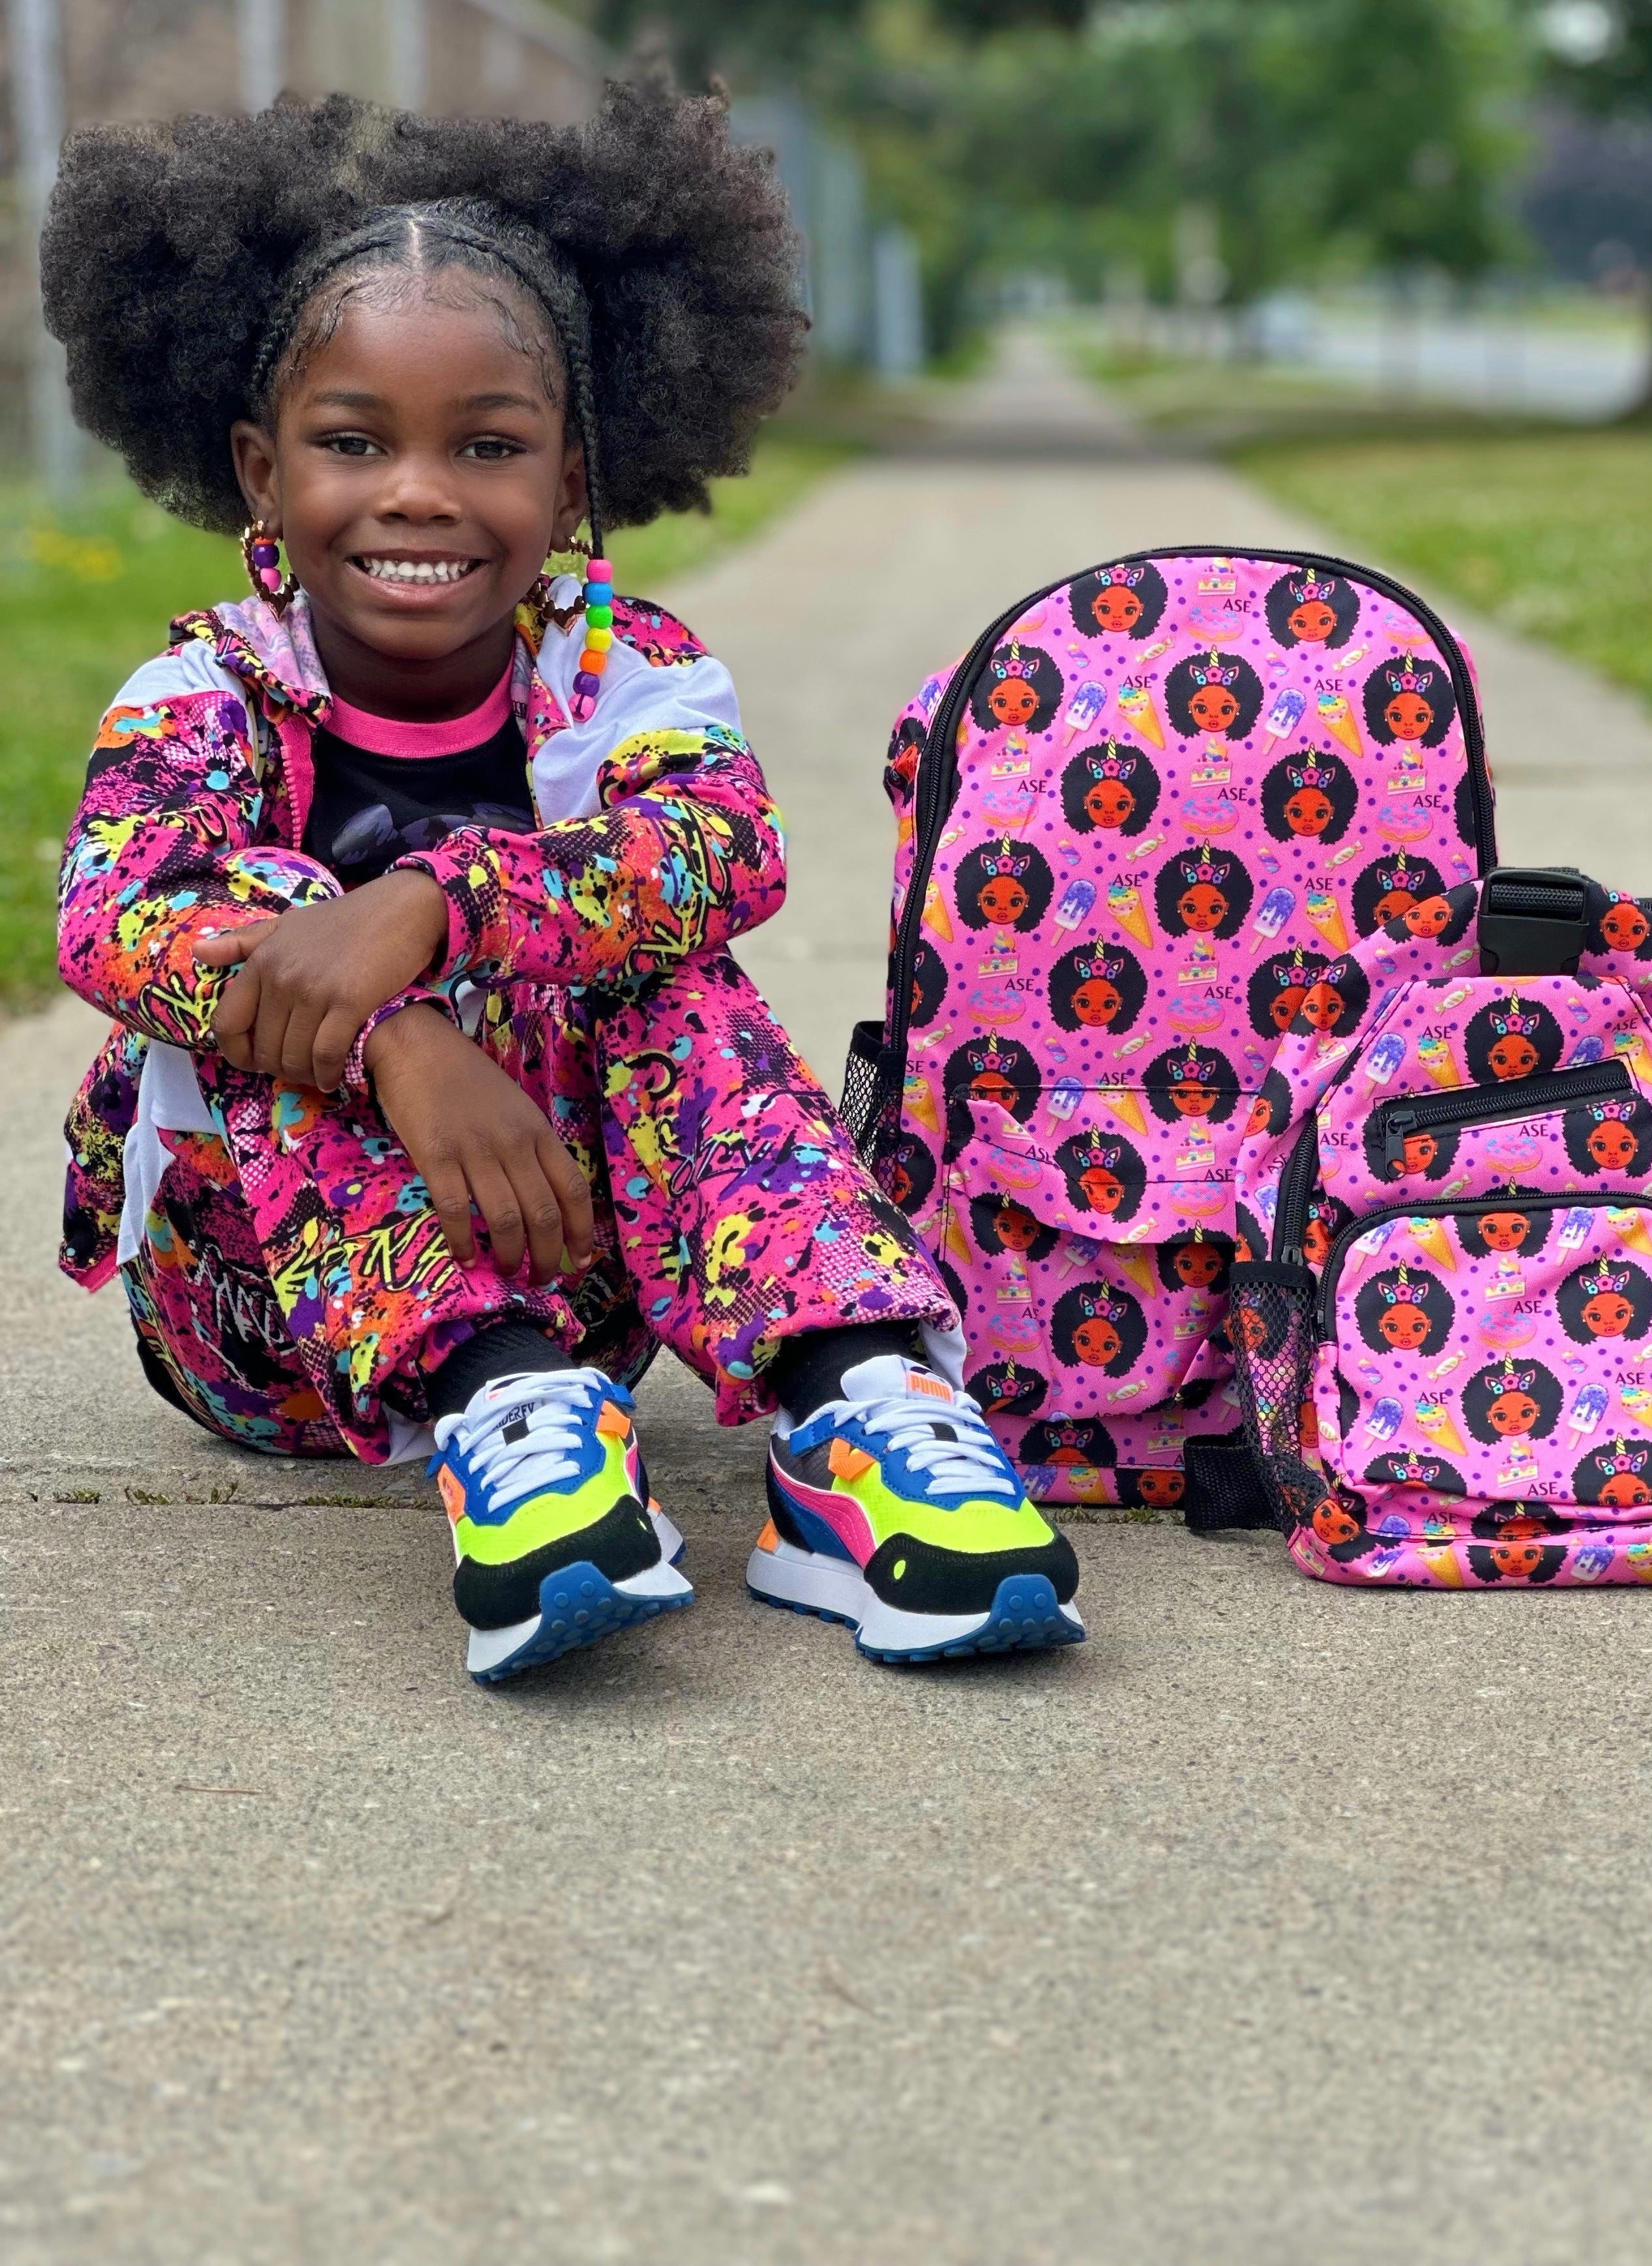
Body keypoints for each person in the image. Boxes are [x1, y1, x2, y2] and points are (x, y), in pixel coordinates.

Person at [46, 83, 1082, 1683]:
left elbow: (720, 848)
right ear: (260, 471)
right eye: (350, 442)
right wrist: (394, 1023)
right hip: (262, 1326)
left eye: (488, 444)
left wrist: (437, 904)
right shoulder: (205, 695)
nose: (416, 492)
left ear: (573, 475)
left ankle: (861, 1413)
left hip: (578, 1259)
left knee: (662, 955)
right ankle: (498, 1413)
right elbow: (114, 915)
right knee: (253, 945)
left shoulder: (626, 674)